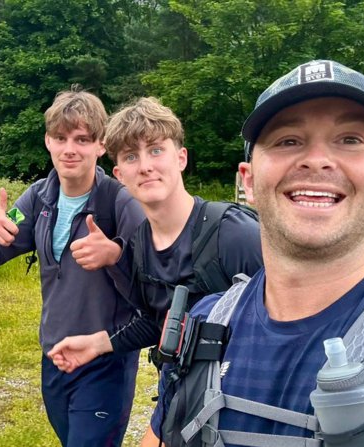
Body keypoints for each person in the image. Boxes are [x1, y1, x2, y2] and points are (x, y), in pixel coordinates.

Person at [124, 60, 364, 447]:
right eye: (288, 140)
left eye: (350, 138)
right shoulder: (206, 323)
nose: (318, 159)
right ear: (248, 181)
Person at [0, 89, 145, 447]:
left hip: (105, 360)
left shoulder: (121, 203)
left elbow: (155, 282)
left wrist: (116, 255)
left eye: (82, 139)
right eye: (60, 138)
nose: (70, 149)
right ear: (47, 140)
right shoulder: (36, 199)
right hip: (56, 358)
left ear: (100, 145)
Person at [48, 97, 262, 374]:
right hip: (185, 397)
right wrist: (97, 344)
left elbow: (293, 319)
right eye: (131, 157)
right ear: (119, 174)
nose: (145, 166)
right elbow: (158, 323)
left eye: (156, 150)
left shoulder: (233, 234)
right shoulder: (140, 245)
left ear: (181, 158)